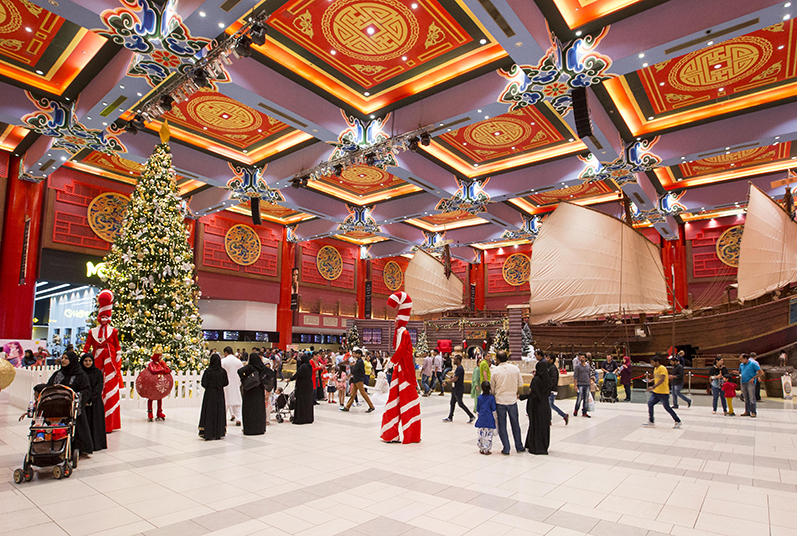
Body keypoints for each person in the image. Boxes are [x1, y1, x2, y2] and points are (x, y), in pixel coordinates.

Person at [380, 292, 421, 443]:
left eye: (396, 319)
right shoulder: (399, 332)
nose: (395, 322)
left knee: (405, 400)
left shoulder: (404, 332)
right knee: (395, 399)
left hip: (403, 369)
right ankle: (391, 433)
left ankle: (406, 434)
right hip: (400, 368)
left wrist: (393, 361)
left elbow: (403, 349)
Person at [82, 289, 122, 433]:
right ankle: (96, 419)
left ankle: (110, 421)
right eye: (102, 317)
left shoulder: (114, 331)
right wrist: (83, 354)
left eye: (107, 317)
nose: (104, 319)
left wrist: (117, 353)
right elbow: (87, 346)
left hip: (110, 362)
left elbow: (117, 345)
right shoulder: (93, 331)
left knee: (110, 387)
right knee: (96, 385)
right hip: (96, 360)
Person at [45, 351, 94, 456]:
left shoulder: (81, 375)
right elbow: (50, 386)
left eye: (66, 358)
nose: (63, 360)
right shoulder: (58, 374)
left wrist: (77, 397)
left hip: (72, 407)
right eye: (62, 358)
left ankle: (75, 447)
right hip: (56, 407)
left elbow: (86, 390)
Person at [490, 351, 525, 455]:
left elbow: (492, 387)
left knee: (502, 425)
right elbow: (520, 384)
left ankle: (506, 448)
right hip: (512, 400)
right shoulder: (515, 369)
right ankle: (519, 446)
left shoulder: (495, 371)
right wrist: (516, 393)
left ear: (498, 359)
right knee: (515, 424)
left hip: (500, 401)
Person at [643, 354, 681, 428]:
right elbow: (657, 377)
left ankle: (677, 421)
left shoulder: (662, 368)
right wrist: (651, 380)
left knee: (667, 407)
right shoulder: (655, 369)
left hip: (663, 392)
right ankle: (651, 420)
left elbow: (662, 379)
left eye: (652, 362)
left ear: (657, 362)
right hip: (656, 392)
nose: (651, 364)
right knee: (650, 404)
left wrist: (653, 386)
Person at [135, 348, 173, 422]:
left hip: (160, 385)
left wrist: (166, 370)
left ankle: (159, 411)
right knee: (150, 399)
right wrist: (162, 371)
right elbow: (153, 370)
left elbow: (168, 369)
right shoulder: (151, 364)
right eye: (160, 356)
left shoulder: (162, 363)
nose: (161, 358)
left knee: (160, 398)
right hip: (152, 385)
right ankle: (150, 412)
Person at [523, 360, 551, 455]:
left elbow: (533, 394)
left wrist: (523, 397)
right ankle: (543, 445)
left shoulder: (536, 380)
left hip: (536, 406)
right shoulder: (547, 379)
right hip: (545, 406)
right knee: (543, 427)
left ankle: (535, 446)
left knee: (535, 425)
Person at [81, 353, 107, 451]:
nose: (87, 363)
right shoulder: (81, 373)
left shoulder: (97, 373)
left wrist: (90, 398)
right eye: (85, 361)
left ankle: (97, 444)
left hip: (95, 402)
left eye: (90, 361)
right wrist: (84, 399)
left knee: (95, 423)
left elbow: (98, 387)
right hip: (83, 401)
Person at [199, 353, 228, 440]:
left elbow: (204, 383)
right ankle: (218, 432)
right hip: (219, 394)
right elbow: (226, 383)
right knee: (219, 412)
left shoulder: (208, 371)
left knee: (209, 412)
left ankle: (208, 433)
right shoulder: (223, 371)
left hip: (210, 394)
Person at [238, 352, 266, 435]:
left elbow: (239, 371)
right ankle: (260, 428)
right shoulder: (262, 367)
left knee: (249, 410)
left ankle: (249, 428)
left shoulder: (249, 367)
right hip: (259, 392)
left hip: (249, 391)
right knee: (259, 410)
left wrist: (244, 379)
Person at [443, 355, 474, 423]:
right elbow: (456, 377)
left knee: (460, 403)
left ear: (458, 360)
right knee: (452, 402)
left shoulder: (460, 368)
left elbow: (456, 378)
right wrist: (452, 378)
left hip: (458, 388)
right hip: (455, 388)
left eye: (455, 359)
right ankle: (450, 417)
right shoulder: (458, 368)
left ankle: (471, 416)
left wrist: (447, 382)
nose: (453, 360)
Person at [543, 352, 568, 425]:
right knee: (549, 405)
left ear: (551, 360)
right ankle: (549, 420)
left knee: (550, 404)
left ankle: (564, 415)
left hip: (552, 390)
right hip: (549, 389)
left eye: (548, 358)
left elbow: (553, 380)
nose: (546, 359)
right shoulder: (548, 367)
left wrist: (548, 388)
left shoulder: (553, 368)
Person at [221, 346, 243, 426]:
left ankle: (223, 419)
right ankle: (238, 419)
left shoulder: (223, 361)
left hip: (226, 384)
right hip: (236, 383)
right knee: (236, 402)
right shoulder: (238, 362)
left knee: (225, 402)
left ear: (226, 352)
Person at [290, 353, 314, 424]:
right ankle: (308, 418)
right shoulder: (309, 366)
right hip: (309, 385)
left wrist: (290, 379)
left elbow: (297, 374)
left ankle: (301, 418)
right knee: (308, 402)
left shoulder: (303, 367)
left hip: (302, 386)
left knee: (301, 401)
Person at [474, 381, 496, 455]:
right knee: (488, 435)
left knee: (481, 435)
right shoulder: (491, 398)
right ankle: (487, 449)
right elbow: (494, 410)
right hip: (489, 419)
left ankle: (481, 448)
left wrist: (479, 417)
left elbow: (478, 410)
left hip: (481, 419)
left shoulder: (479, 398)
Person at [739, 353, 763, 418]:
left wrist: (754, 377)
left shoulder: (752, 364)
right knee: (746, 397)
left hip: (750, 383)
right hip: (743, 382)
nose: (740, 361)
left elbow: (761, 372)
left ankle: (753, 411)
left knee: (751, 397)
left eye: (741, 359)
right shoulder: (741, 365)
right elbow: (741, 372)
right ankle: (747, 411)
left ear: (745, 359)